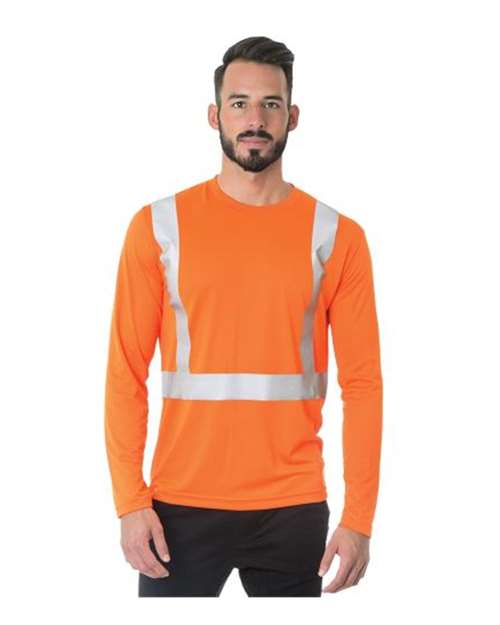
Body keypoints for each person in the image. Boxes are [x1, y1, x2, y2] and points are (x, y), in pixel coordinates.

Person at [104, 35, 383, 597]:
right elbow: (125, 372)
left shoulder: (337, 236)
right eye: (239, 104)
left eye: (270, 104)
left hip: (293, 507)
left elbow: (363, 383)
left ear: (292, 117)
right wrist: (130, 503)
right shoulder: (157, 228)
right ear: (215, 116)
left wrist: (359, 518)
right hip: (178, 508)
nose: (255, 120)